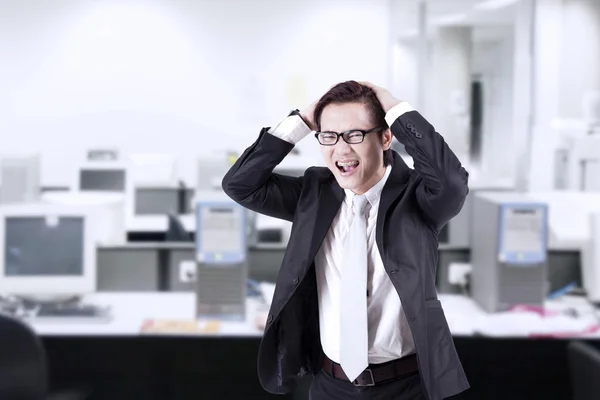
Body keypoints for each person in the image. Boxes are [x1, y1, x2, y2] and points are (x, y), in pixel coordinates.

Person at [222, 81, 470, 400]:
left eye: (355, 135)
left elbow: (452, 181)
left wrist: (394, 107)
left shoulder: (418, 197)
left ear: (384, 137)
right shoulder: (314, 192)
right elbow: (240, 184)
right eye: (329, 136)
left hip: (405, 387)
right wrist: (301, 121)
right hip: (329, 386)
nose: (341, 150)